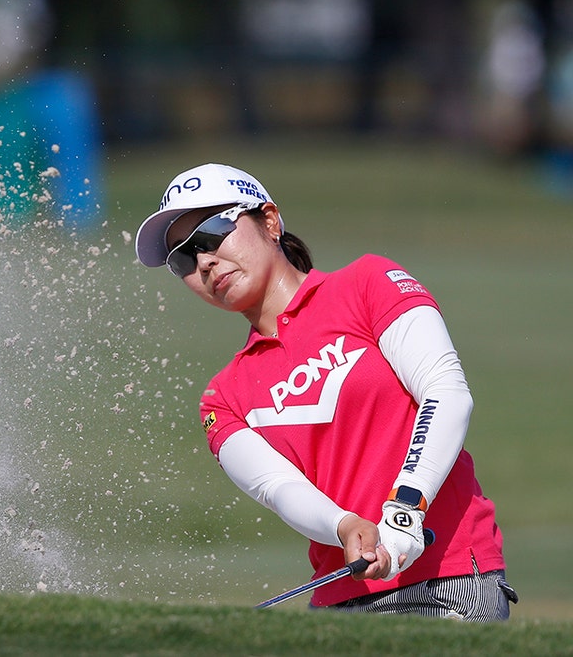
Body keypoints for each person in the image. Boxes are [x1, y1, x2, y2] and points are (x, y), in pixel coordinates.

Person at [134, 163, 517, 620]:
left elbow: (446, 390)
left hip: (449, 580)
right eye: (183, 258)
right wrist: (345, 526)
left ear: (270, 221)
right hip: (341, 600)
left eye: (212, 234)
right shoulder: (222, 398)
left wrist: (405, 509)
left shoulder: (367, 284)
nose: (203, 261)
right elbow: (279, 488)